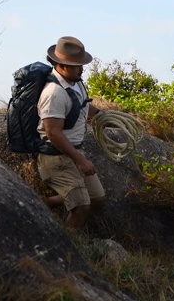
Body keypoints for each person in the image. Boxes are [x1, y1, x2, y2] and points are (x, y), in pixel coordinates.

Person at [36, 36, 105, 230]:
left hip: (72, 153)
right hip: (55, 158)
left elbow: (83, 106)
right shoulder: (53, 93)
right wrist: (81, 161)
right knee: (81, 206)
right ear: (61, 65)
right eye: (76, 65)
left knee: (97, 197)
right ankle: (70, 249)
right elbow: (53, 133)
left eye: (81, 64)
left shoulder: (75, 82)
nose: (81, 68)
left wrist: (104, 117)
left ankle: (45, 202)